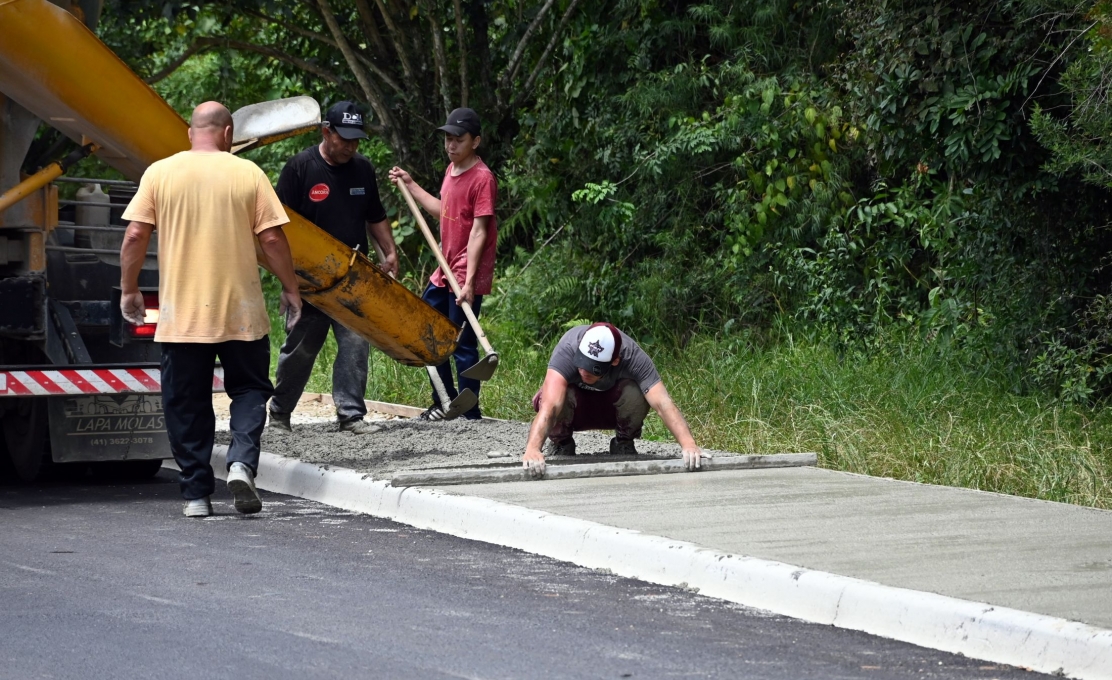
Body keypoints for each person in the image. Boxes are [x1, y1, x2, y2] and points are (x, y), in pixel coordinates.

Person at [119, 101, 302, 518]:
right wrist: (291, 289)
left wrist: (128, 289)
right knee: (250, 391)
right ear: (228, 134)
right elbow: (272, 240)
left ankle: (197, 495)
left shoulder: (160, 173)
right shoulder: (248, 172)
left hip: (182, 318)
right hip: (242, 313)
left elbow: (134, 235)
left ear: (190, 133)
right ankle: (240, 462)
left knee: (187, 403)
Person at [267, 101, 398, 435]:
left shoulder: (363, 169)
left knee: (356, 344)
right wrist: (287, 281)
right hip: (308, 279)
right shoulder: (300, 168)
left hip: (354, 278)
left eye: (356, 140)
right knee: (301, 348)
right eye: (345, 139)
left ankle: (350, 415)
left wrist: (390, 252)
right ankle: (280, 414)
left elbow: (376, 215)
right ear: (327, 132)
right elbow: (277, 228)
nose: (351, 146)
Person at [388, 107, 496, 421]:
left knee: (461, 346)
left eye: (458, 140)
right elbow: (442, 209)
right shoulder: (451, 171)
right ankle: (443, 401)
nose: (451, 145)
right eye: (448, 139)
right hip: (443, 270)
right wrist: (410, 184)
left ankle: (468, 412)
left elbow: (479, 230)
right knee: (427, 333)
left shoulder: (483, 179)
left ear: (475, 141)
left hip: (464, 272)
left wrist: (470, 282)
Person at [521, 322, 705, 477]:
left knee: (638, 392)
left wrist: (688, 444)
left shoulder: (633, 357)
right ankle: (562, 444)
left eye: (593, 368)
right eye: (581, 363)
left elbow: (663, 403)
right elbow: (550, 407)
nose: (584, 371)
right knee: (551, 395)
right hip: (574, 409)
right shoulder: (568, 349)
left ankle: (623, 443)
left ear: (615, 360)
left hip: (612, 408)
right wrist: (533, 449)